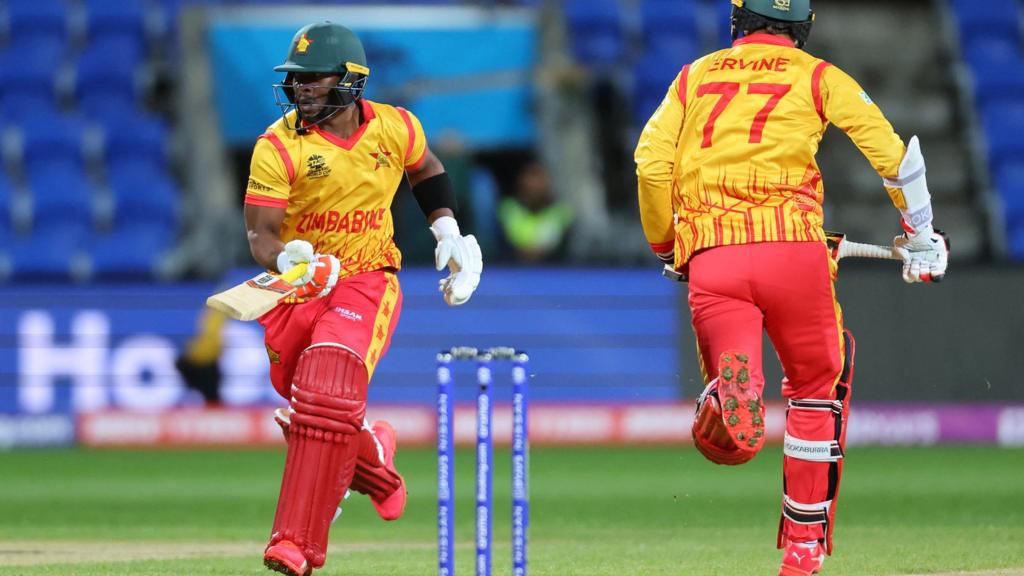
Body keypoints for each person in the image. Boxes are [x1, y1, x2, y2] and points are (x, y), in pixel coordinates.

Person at [634, 1, 948, 575]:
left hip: (714, 258)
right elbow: (894, 156)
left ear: (738, 21)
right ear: (802, 28)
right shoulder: (819, 76)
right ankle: (803, 550)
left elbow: (651, 165)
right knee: (817, 389)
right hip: (794, 252)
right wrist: (922, 233)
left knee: (733, 390)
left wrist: (667, 245)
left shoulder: (694, 76)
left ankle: (726, 399)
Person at [243, 21, 482, 576]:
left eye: (314, 79)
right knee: (307, 402)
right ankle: (372, 461)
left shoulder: (394, 127)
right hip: (298, 289)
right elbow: (260, 233)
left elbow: (426, 169)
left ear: (352, 80)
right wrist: (286, 259)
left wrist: (446, 229)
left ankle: (295, 544)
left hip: (367, 278)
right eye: (296, 80)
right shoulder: (277, 146)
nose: (302, 89)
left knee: (325, 389)